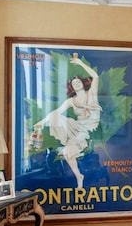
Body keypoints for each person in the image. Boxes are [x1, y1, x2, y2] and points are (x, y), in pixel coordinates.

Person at [34, 53, 102, 188]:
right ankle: (79, 176)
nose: (76, 84)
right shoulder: (71, 101)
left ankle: (76, 151)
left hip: (91, 126)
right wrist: (42, 122)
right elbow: (56, 112)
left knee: (68, 151)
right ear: (72, 87)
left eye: (78, 82)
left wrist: (81, 64)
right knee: (67, 153)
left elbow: (95, 76)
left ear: (83, 83)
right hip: (78, 126)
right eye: (73, 83)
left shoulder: (91, 93)